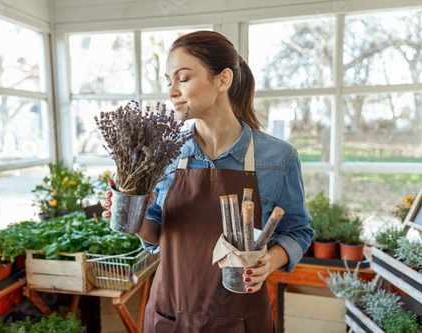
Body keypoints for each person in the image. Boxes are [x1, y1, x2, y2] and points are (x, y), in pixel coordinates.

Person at [101, 30, 314, 333]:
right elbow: (158, 236)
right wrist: (133, 218)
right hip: (169, 316)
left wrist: (270, 260)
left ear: (222, 80)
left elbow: (298, 231)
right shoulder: (162, 156)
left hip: (242, 321)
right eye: (168, 81)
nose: (172, 91)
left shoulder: (278, 158)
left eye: (183, 78)